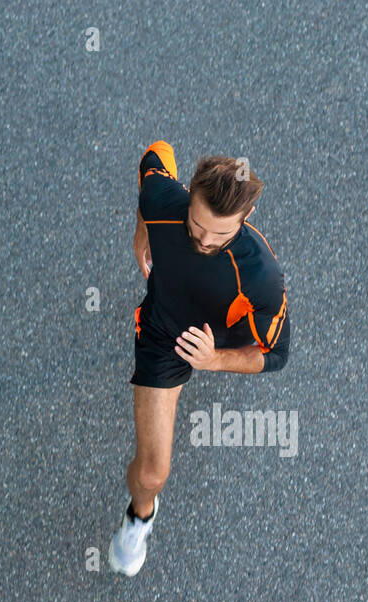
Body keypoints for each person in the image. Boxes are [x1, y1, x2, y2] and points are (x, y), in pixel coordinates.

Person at [109, 141, 291, 576]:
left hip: (218, 337)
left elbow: (276, 353)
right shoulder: (162, 202)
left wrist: (215, 360)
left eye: (221, 235)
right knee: (152, 475)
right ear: (187, 194)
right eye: (197, 226)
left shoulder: (262, 277)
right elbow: (157, 153)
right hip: (163, 337)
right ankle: (139, 518)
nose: (205, 241)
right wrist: (142, 230)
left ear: (246, 219)